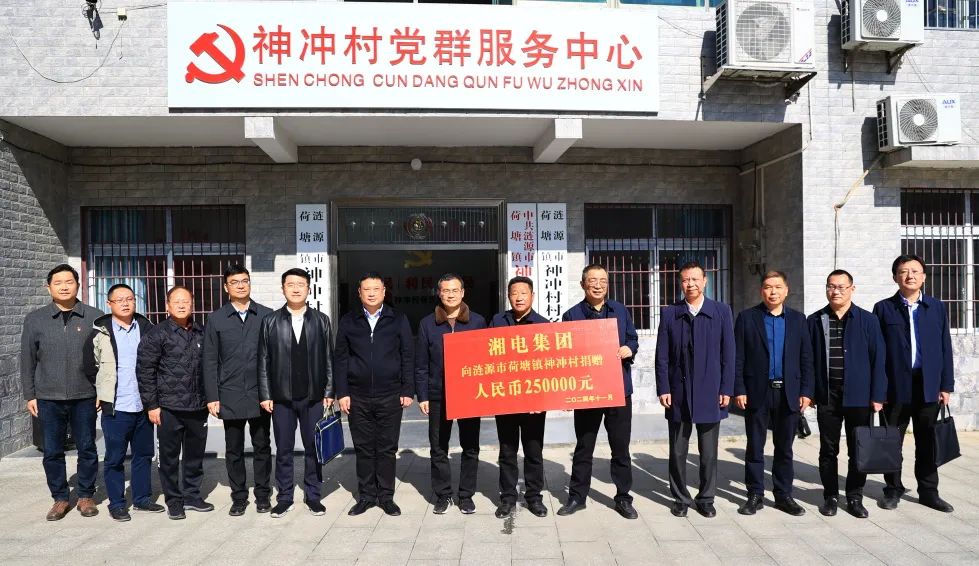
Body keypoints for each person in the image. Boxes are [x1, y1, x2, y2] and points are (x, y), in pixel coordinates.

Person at [21, 264, 104, 521]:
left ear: (78, 285)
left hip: (85, 395)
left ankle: (86, 495)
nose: (64, 287)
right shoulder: (35, 319)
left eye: (69, 282)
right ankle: (60, 498)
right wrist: (30, 394)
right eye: (58, 283)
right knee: (52, 451)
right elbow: (27, 359)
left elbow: (104, 358)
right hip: (48, 397)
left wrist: (101, 390)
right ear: (49, 288)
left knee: (87, 447)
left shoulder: (94, 316)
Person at [557, 264, 640, 520]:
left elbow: (632, 338)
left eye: (603, 280)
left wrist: (629, 349)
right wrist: (568, 391)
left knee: (620, 448)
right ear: (583, 284)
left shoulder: (620, 311)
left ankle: (623, 498)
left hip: (618, 391)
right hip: (587, 391)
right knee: (584, 447)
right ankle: (577, 497)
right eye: (592, 280)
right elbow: (565, 356)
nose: (598, 285)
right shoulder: (571, 316)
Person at [873, 254, 955, 513]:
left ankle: (929, 492)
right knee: (891, 441)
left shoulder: (936, 307)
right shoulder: (883, 308)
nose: (909, 275)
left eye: (915, 271)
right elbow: (877, 353)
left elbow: (945, 347)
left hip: (928, 384)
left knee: (928, 440)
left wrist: (946, 385)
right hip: (895, 386)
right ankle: (892, 489)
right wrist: (879, 389)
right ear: (895, 277)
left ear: (924, 276)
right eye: (903, 271)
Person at [655, 262, 734, 519]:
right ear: (680, 283)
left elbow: (729, 354)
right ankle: (680, 498)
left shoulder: (721, 311)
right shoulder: (671, 313)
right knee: (678, 450)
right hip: (678, 392)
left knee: (708, 451)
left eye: (695, 279)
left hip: (711, 391)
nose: (690, 284)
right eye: (686, 280)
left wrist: (726, 388)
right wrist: (664, 388)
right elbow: (662, 356)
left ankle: (706, 498)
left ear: (705, 281)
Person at [807, 269, 886, 519]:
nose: (836, 291)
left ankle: (854, 496)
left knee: (858, 448)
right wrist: (809, 392)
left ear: (852, 289)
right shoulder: (815, 320)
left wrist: (878, 395)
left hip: (859, 396)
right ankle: (830, 496)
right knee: (828, 449)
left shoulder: (868, 320)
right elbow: (808, 360)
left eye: (841, 286)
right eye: (831, 286)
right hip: (828, 396)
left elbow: (879, 359)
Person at [734, 270, 814, 516]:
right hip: (757, 391)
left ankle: (783, 495)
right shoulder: (747, 318)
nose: (773, 292)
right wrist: (739, 389)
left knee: (784, 448)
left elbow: (806, 358)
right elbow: (738, 357)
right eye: (768, 287)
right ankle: (755, 494)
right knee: (755, 446)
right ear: (761, 291)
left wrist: (806, 391)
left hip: (788, 392)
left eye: (778, 287)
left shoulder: (798, 320)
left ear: (786, 291)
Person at [335, 273, 414, 517]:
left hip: (390, 394)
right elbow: (340, 358)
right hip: (357, 395)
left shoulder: (397, 319)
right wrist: (342, 392)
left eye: (376, 289)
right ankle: (367, 496)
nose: (371, 293)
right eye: (366, 289)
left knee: (387, 448)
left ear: (384, 292)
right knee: (364, 448)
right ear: (359, 293)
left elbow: (407, 355)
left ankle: (386, 497)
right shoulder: (349, 321)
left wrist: (407, 389)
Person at [257, 268, 334, 518]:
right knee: (284, 450)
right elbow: (263, 360)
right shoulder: (270, 321)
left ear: (308, 288)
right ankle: (285, 497)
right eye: (290, 284)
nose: (296, 289)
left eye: (301, 284)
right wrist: (266, 394)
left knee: (313, 448)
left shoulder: (321, 320)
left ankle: (313, 496)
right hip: (282, 398)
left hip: (313, 397)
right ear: (283, 289)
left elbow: (329, 358)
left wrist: (329, 390)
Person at [84, 283, 163, 521]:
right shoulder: (99, 333)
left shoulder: (148, 329)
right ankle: (117, 503)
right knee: (114, 458)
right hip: (116, 407)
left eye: (129, 298)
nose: (125, 303)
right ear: (109, 304)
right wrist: (101, 390)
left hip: (143, 405)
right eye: (119, 300)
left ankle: (142, 499)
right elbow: (89, 366)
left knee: (144, 455)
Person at [136, 286, 212, 520]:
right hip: (168, 408)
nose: (181, 305)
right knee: (168, 458)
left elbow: (211, 367)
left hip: (198, 406)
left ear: (192, 305)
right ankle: (174, 500)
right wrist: (152, 405)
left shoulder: (202, 332)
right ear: (167, 305)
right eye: (176, 301)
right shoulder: (157, 334)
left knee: (194, 456)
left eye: (186, 301)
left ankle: (192, 496)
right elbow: (145, 371)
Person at [203, 265, 274, 516]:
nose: (241, 285)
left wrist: (271, 393)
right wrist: (212, 396)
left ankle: (263, 495)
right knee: (233, 449)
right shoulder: (216, 319)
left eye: (245, 281)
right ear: (226, 287)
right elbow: (209, 360)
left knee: (262, 446)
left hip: (259, 393)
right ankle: (239, 497)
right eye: (235, 282)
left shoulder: (266, 315)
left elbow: (274, 357)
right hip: (230, 393)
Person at [415, 273, 487, 515]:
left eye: (455, 290)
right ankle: (443, 495)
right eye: (446, 290)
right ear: (439, 293)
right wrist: (423, 395)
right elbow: (421, 364)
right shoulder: (427, 324)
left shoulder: (477, 322)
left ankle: (466, 496)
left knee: (470, 446)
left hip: (469, 394)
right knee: (438, 447)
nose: (450, 295)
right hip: (438, 394)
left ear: (463, 292)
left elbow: (485, 359)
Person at [490, 276, 550, 519]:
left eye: (524, 293)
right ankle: (507, 498)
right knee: (507, 451)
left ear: (532, 296)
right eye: (514, 293)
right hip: (505, 399)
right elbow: (487, 357)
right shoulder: (497, 321)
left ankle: (534, 497)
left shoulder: (543, 325)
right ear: (508, 296)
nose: (519, 297)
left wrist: (542, 398)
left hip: (534, 402)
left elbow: (549, 365)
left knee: (533, 451)